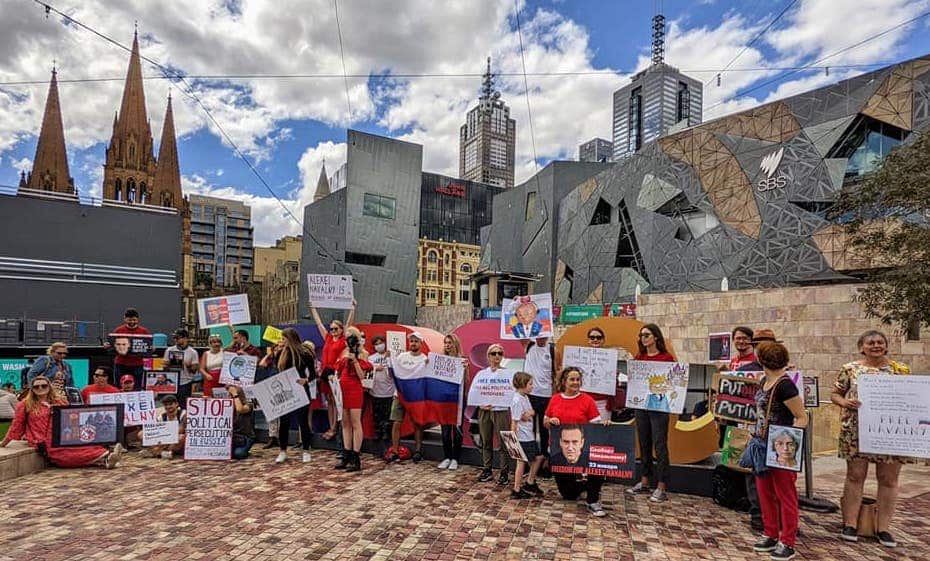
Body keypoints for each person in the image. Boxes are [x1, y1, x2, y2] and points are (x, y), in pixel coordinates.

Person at [831, 329, 910, 549]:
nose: (875, 345)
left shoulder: (900, 371)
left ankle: (883, 527)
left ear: (885, 346)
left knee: (888, 479)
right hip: (856, 431)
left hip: (889, 431)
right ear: (861, 347)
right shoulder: (850, 369)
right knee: (855, 475)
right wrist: (844, 403)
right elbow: (835, 393)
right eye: (870, 342)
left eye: (879, 342)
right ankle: (849, 524)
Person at [749, 341, 807, 561]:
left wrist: (788, 442)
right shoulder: (765, 381)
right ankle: (771, 533)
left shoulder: (785, 385)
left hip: (780, 444)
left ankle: (788, 541)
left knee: (785, 494)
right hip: (762, 443)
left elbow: (802, 417)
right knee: (765, 492)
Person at [0, 375, 125, 468]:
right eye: (36, 386)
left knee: (83, 444)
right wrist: (4, 443)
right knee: (63, 453)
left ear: (49, 387)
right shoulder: (25, 404)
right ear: (32, 389)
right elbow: (17, 425)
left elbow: (71, 417)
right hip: (41, 438)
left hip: (64, 434)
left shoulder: (60, 401)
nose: (40, 388)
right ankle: (105, 457)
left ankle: (106, 457)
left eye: (44, 385)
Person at [543, 367, 605, 517]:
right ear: (564, 381)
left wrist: (605, 425)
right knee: (568, 494)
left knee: (597, 465)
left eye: (578, 379)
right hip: (560, 450)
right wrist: (550, 421)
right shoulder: (555, 399)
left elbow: (595, 424)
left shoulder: (587, 400)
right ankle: (584, 486)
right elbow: (545, 421)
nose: (575, 382)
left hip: (582, 449)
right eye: (572, 379)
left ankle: (593, 499)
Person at [626, 323, 676, 503]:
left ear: (656, 337)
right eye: (641, 336)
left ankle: (662, 486)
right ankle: (645, 480)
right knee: (644, 442)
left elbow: (673, 382)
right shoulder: (639, 357)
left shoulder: (666, 358)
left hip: (660, 405)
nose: (643, 338)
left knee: (660, 444)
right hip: (641, 405)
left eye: (646, 335)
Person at [310, 300, 356, 440]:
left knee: (337, 400)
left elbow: (349, 324)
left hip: (336, 373)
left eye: (336, 329)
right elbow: (318, 324)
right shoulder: (328, 338)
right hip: (325, 373)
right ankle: (332, 427)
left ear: (341, 330)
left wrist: (352, 308)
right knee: (329, 400)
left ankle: (337, 427)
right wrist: (313, 308)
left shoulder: (343, 340)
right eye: (332, 329)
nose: (333, 331)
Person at [272, 328, 315, 464]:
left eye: (284, 338)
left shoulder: (305, 353)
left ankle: (306, 450)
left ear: (290, 339)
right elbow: (277, 371)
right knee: (284, 422)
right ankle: (283, 450)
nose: (282, 341)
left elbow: (313, 374)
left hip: (300, 389)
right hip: (285, 390)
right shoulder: (280, 354)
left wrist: (306, 380)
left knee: (303, 422)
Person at [473, 344, 514, 486]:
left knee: (503, 442)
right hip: (485, 410)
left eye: (500, 353)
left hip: (501, 410)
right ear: (488, 356)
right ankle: (487, 469)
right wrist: (480, 404)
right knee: (486, 441)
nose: (497, 356)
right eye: (493, 353)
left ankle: (504, 471)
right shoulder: (482, 374)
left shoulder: (508, 374)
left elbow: (512, 393)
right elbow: (475, 391)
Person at [334, 326, 372, 472]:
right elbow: (338, 369)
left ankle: (356, 456)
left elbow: (362, 376)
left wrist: (355, 360)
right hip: (342, 388)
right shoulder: (343, 351)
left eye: (350, 335)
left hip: (354, 388)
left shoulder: (363, 353)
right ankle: (346, 453)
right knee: (345, 423)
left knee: (356, 422)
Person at [387, 332, 428, 464]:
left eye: (416, 341)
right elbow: (391, 373)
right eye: (411, 341)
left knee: (417, 424)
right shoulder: (401, 357)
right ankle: (395, 450)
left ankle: (418, 450)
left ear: (420, 343)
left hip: (416, 396)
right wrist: (389, 360)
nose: (413, 343)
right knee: (396, 421)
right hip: (399, 394)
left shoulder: (424, 359)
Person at [522, 336, 553, 477]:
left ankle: (545, 462)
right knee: (529, 429)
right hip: (530, 394)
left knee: (544, 429)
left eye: (544, 334)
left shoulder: (552, 349)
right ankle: (531, 462)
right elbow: (520, 334)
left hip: (546, 395)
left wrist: (555, 394)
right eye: (539, 334)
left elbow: (557, 371)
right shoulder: (529, 346)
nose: (541, 337)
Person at [510, 371, 544, 499]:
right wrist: (514, 439)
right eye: (530, 384)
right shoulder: (517, 400)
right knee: (522, 462)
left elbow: (528, 414)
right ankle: (517, 489)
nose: (532, 386)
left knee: (537, 458)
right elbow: (515, 420)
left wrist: (529, 414)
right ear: (523, 384)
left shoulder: (524, 397)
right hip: (523, 437)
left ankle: (529, 481)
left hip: (528, 435)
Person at [437, 333, 468, 470]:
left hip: (458, 399)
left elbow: (466, 380)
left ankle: (455, 458)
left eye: (450, 343)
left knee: (457, 429)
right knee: (444, 430)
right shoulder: (441, 360)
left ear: (455, 344)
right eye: (445, 343)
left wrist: (465, 368)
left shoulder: (462, 360)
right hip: (444, 399)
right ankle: (446, 457)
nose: (447, 346)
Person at [108, 308, 151, 390]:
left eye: (134, 320)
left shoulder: (144, 331)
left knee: (137, 387)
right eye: (129, 320)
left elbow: (148, 346)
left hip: (137, 364)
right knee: (118, 386)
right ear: (125, 319)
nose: (132, 322)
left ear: (138, 319)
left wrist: (151, 348)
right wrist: (107, 345)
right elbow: (112, 345)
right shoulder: (118, 330)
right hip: (121, 363)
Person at [367, 335, 395, 459]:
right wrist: (374, 368)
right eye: (376, 343)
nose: (379, 345)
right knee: (377, 420)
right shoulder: (371, 358)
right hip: (375, 392)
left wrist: (388, 358)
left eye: (381, 342)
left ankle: (387, 446)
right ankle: (377, 448)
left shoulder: (391, 356)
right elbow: (366, 372)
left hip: (388, 393)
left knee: (388, 421)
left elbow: (393, 373)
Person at [164, 329, 199, 408]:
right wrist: (167, 364)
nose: (175, 340)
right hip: (172, 381)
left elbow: (194, 371)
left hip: (185, 382)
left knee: (183, 405)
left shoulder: (193, 352)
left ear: (186, 338)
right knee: (170, 405)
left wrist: (187, 364)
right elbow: (165, 368)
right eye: (174, 338)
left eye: (178, 338)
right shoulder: (169, 350)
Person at [148, 395, 186, 459]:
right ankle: (164, 452)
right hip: (167, 440)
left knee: (181, 437)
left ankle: (159, 452)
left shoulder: (184, 414)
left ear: (176, 404)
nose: (168, 407)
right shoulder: (162, 417)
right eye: (166, 405)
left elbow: (181, 430)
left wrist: (163, 441)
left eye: (170, 404)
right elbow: (155, 431)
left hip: (178, 443)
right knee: (142, 434)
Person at [228, 385, 255, 460]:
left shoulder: (249, 405)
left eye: (231, 396)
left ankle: (245, 451)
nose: (230, 397)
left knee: (238, 454)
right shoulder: (227, 404)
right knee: (224, 453)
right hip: (232, 436)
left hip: (245, 437)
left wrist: (235, 395)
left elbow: (240, 409)